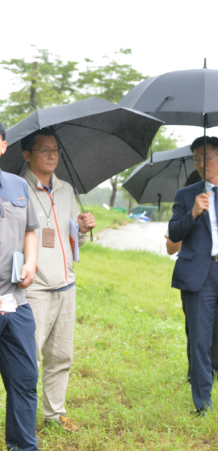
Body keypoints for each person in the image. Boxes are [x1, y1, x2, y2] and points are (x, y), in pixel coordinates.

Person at [19, 127, 96, 433]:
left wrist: (82, 227)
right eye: (44, 150)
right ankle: (23, 416)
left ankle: (55, 413)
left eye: (55, 151)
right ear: (27, 155)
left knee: (61, 354)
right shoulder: (16, 189)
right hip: (33, 286)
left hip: (66, 284)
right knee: (29, 357)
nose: (52, 156)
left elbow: (69, 235)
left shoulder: (65, 189)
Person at [168, 136, 218, 415]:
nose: (201, 163)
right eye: (196, 159)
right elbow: (174, 233)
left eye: (206, 157)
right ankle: (202, 404)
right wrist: (193, 212)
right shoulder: (186, 195)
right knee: (199, 341)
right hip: (199, 275)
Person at [166, 169, 218, 393]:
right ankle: (196, 374)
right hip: (194, 275)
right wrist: (191, 219)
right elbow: (171, 246)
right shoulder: (186, 206)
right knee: (195, 330)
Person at [0, 121, 40, 450]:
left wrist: (30, 262)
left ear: (3, 146)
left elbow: (30, 231)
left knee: (25, 380)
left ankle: (23, 447)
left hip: (15, 304)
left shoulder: (18, 186)